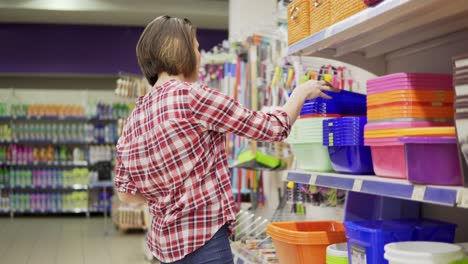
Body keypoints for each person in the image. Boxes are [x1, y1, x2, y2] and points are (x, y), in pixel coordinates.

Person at [115, 15, 339, 264]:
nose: (198, 56)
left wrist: (167, 192)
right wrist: (300, 94)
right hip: (205, 241)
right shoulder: (193, 97)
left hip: (165, 246)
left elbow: (126, 192)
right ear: (180, 51)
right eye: (196, 47)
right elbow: (272, 127)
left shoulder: (135, 116)